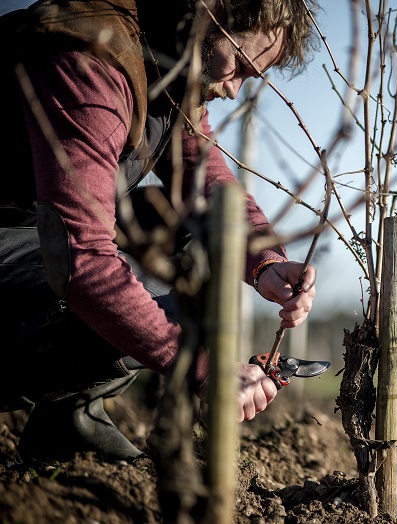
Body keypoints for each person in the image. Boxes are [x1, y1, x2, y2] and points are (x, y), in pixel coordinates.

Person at [0, 0, 320, 464]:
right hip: (17, 234)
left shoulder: (168, 65)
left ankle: (68, 421)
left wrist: (266, 262)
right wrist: (203, 368)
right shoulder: (91, 60)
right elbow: (81, 257)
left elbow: (205, 180)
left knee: (176, 235)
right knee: (154, 273)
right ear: (210, 11)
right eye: (240, 68)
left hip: (33, 231)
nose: (233, 91)